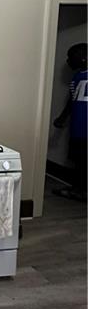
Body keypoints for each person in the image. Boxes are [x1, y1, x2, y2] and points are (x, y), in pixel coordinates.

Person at [53, 42, 87, 200]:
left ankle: (80, 190)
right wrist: (62, 117)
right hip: (78, 127)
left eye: (71, 57)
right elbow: (72, 101)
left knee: (83, 160)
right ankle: (77, 188)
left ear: (84, 58)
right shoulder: (77, 77)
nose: (68, 61)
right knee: (78, 160)